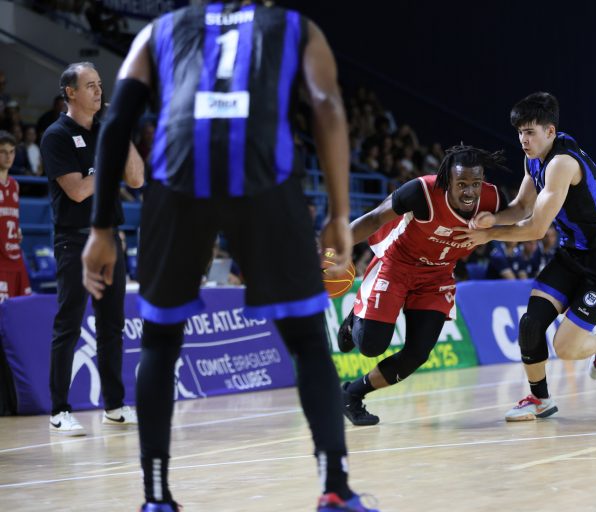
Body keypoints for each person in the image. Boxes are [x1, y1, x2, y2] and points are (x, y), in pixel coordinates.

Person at [80, 3, 378, 511]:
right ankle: (335, 488)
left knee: (160, 342)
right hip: (263, 175)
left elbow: (116, 122)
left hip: (178, 176)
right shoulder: (296, 27)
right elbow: (327, 105)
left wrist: (102, 228)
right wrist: (338, 212)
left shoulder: (158, 31)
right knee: (308, 341)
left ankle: (156, 497)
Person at [454, 92, 596, 421]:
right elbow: (523, 206)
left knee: (566, 348)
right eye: (519, 132)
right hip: (573, 250)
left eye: (530, 132)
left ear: (550, 131)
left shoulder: (562, 163)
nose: (523, 140)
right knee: (531, 324)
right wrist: (493, 219)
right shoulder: (534, 158)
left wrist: (490, 235)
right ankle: (540, 400)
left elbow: (536, 229)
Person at [336, 144, 509, 426]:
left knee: (417, 354)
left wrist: (494, 230)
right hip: (397, 266)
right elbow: (375, 217)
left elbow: (522, 213)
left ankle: (352, 394)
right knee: (371, 346)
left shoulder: (492, 199)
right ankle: (353, 321)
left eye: (475, 183)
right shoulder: (421, 192)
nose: (469, 192)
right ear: (447, 180)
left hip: (437, 276)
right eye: (461, 184)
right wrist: (335, 247)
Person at [40, 62, 144, 436]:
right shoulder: (56, 135)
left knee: (112, 326)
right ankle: (59, 410)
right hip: (75, 241)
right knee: (68, 325)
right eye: (90, 86)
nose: (99, 91)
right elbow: (78, 190)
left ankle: (114, 406)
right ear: (70, 92)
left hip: (110, 239)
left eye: (100, 84)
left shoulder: (107, 131)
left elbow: (137, 178)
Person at [0, 130, 32, 302]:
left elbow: (12, 217)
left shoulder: (14, 185)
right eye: (3, 152)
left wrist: (17, 230)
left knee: (21, 307)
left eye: (11, 152)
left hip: (14, 254)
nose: (8, 157)